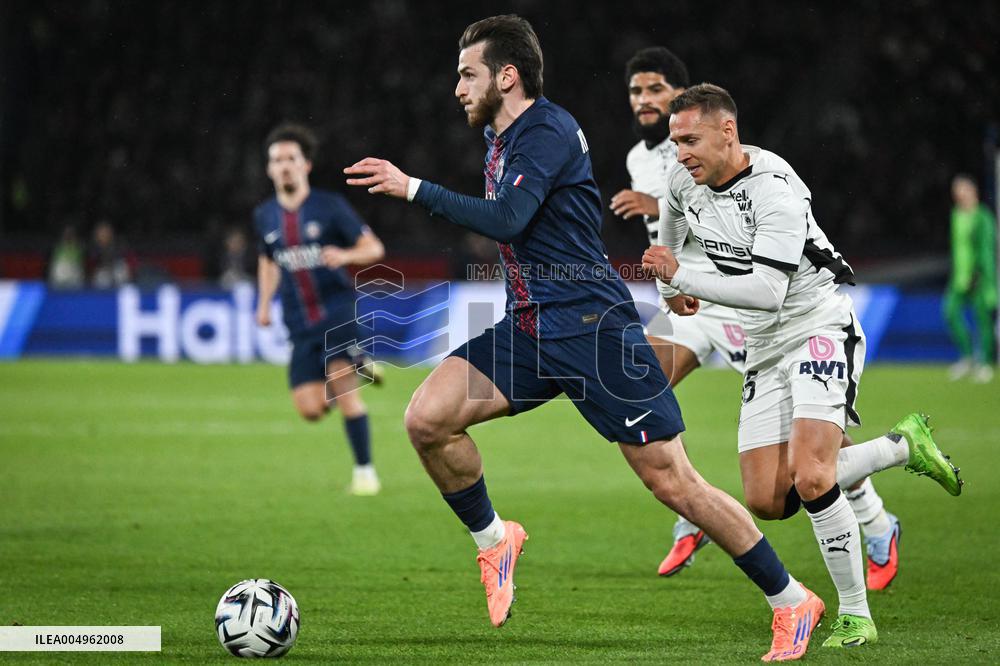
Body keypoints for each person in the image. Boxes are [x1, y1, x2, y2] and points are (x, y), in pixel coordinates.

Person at [347, 15, 829, 661]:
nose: (457, 87)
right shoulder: (500, 140)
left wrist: (412, 187)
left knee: (674, 483)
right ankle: (495, 541)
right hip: (529, 327)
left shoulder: (545, 129)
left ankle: (791, 600)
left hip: (594, 330)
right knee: (427, 419)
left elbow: (510, 218)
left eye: (468, 73)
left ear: (507, 75)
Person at [643, 83, 964, 649]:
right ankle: (900, 447)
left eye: (690, 139)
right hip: (764, 348)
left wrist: (681, 278)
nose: (681, 152)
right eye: (675, 141)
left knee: (813, 476)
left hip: (818, 326)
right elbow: (668, 235)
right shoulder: (680, 177)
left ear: (727, 132)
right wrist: (671, 286)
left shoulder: (776, 188)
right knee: (768, 500)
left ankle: (855, 615)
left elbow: (768, 291)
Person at [611, 47, 904, 591]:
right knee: (640, 384)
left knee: (812, 449)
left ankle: (876, 521)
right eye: (635, 91)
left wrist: (661, 225)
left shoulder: (739, 167)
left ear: (679, 97)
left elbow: (737, 245)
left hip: (745, 301)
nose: (644, 100)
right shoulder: (642, 159)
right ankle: (692, 504)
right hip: (696, 304)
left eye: (655, 90)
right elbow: (665, 240)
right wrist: (669, 286)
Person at [254, 123, 386, 496]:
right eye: (276, 160)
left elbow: (374, 248)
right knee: (310, 409)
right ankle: (357, 365)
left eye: (291, 159)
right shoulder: (265, 216)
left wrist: (345, 254)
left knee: (345, 394)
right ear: (268, 169)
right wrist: (263, 303)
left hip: (337, 311)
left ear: (306, 165)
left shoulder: (329, 207)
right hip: (299, 321)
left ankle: (365, 474)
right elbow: (267, 261)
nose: (284, 166)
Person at [943, 175, 997, 383]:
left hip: (980, 277)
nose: (958, 195)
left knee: (982, 320)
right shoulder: (956, 215)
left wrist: (981, 273)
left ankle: (984, 363)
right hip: (959, 277)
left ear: (972, 192)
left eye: (962, 191)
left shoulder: (983, 216)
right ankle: (967, 357)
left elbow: (986, 249)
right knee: (949, 312)